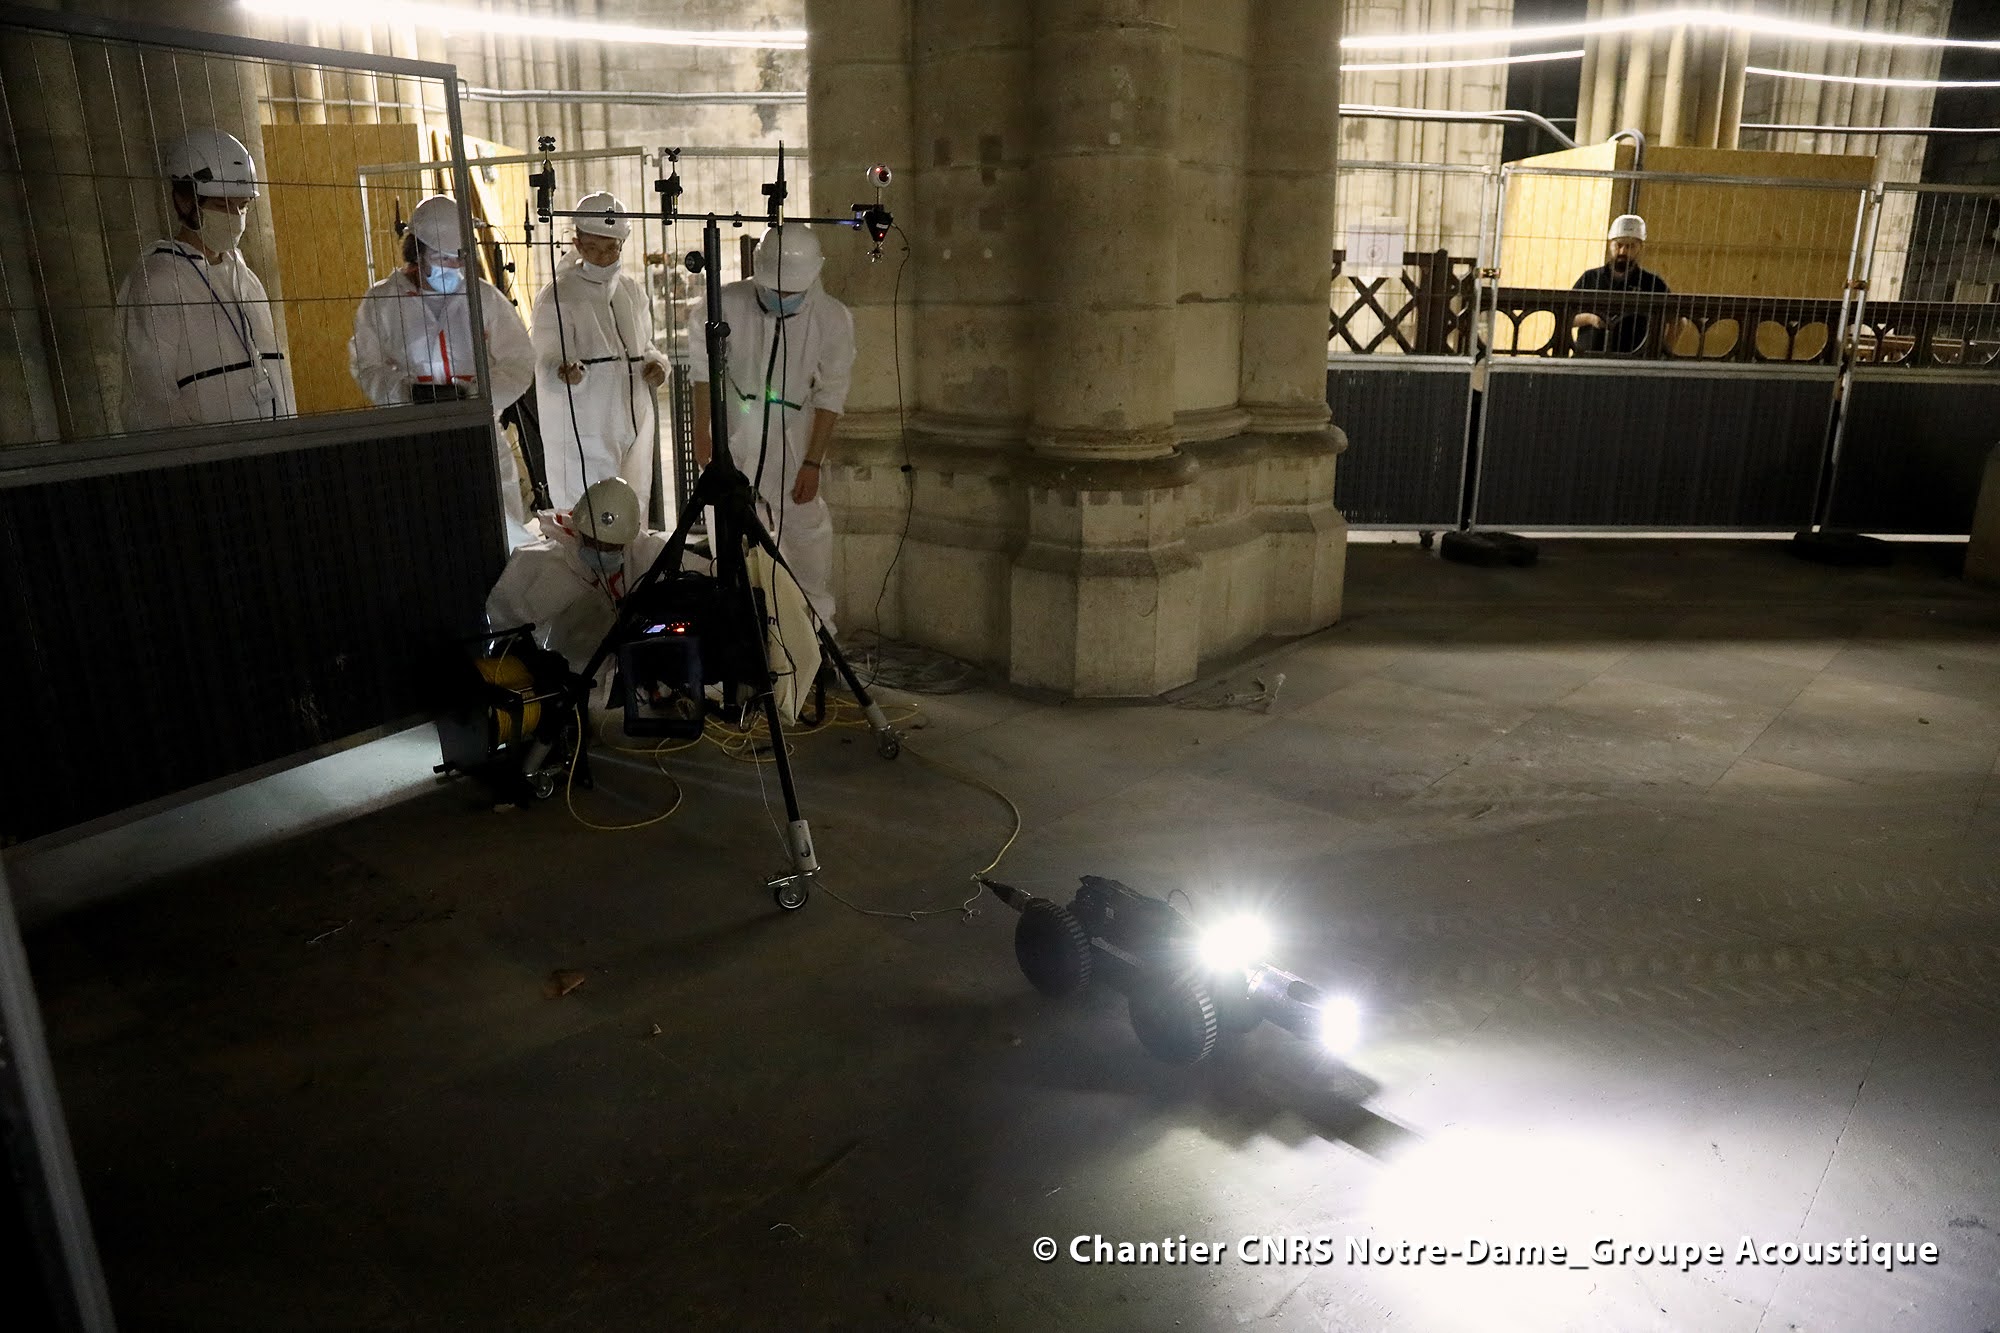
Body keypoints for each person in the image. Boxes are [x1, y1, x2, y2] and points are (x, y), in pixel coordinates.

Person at [688, 223, 854, 633]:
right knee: (727, 529)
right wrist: (703, 435)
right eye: (772, 289)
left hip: (791, 435)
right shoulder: (724, 304)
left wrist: (813, 461)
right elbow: (703, 374)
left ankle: (815, 629)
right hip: (735, 429)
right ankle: (737, 629)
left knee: (805, 533)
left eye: (789, 292)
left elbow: (831, 395)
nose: (779, 299)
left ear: (813, 276)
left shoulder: (831, 318)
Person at [350, 193, 538, 546]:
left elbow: (518, 361)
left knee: (503, 530)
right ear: (417, 252)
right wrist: (405, 392)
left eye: (459, 258)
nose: (453, 267)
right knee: (427, 533)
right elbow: (366, 365)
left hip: (480, 433)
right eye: (442, 258)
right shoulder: (381, 302)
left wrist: (477, 395)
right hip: (413, 438)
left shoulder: (483, 297)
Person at [116, 129, 296, 431]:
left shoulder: (243, 275)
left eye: (243, 206)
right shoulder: (159, 281)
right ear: (185, 202)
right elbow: (151, 399)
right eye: (223, 206)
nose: (236, 217)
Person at [531, 192, 670, 518]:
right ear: (577, 244)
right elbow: (546, 359)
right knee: (591, 514)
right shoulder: (559, 293)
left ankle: (634, 568)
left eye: (611, 248)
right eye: (592, 248)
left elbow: (646, 345)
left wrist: (657, 365)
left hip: (633, 416)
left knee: (632, 508)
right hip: (587, 423)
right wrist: (566, 374)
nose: (602, 257)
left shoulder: (631, 291)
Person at [485, 476, 670, 674]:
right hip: (567, 671)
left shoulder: (645, 554)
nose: (603, 551)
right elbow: (505, 627)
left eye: (612, 547)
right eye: (595, 542)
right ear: (580, 531)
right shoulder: (540, 565)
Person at [1570, 213, 1682, 356]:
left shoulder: (1652, 283)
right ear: (1610, 245)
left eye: (1630, 246)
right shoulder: (1590, 278)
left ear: (1640, 247)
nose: (1623, 251)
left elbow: (1677, 319)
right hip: (1588, 358)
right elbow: (1567, 317)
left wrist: (1664, 352)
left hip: (1633, 362)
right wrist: (1589, 318)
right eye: (1619, 245)